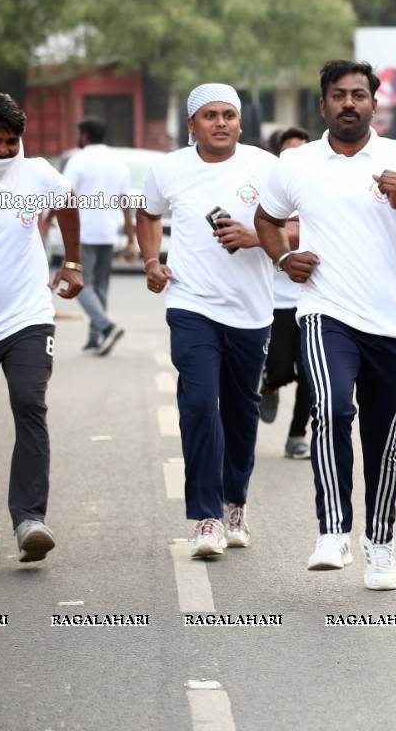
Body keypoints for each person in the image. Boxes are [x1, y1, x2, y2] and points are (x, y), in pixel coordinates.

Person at [254, 59, 396, 591]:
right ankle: (332, 530)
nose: (349, 103)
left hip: (392, 324)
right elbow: (267, 220)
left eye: (359, 95)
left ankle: (380, 545)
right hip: (326, 312)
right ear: (322, 105)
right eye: (339, 95)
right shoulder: (296, 164)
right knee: (332, 406)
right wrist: (281, 261)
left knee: (384, 439)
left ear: (374, 103)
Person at [138, 84, 278, 559]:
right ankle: (205, 518)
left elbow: (299, 223)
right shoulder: (168, 168)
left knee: (240, 411)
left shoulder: (266, 167)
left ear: (241, 122)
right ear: (192, 123)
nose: (221, 122)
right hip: (191, 304)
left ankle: (235, 502)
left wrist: (256, 237)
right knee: (199, 405)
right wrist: (151, 260)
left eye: (230, 115)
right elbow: (147, 212)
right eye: (210, 115)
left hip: (251, 309)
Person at [0, 92, 83, 562]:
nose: (4, 151)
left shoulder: (38, 172)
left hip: (27, 317)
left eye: (11, 141)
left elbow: (68, 203)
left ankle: (29, 520)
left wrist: (72, 263)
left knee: (29, 404)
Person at [259, 127, 312, 459]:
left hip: (315, 300)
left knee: (311, 375)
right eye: (288, 153)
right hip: (277, 300)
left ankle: (296, 435)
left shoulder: (322, 188)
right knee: (279, 367)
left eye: (301, 152)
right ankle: (271, 385)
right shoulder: (267, 187)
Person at [62, 117, 131, 356]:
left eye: (79, 134)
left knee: (82, 285)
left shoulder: (77, 161)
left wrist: (50, 218)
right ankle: (95, 338)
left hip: (83, 231)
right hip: (108, 232)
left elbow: (65, 195)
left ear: (85, 135)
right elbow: (125, 202)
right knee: (100, 287)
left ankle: (106, 327)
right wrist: (131, 239)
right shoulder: (118, 162)